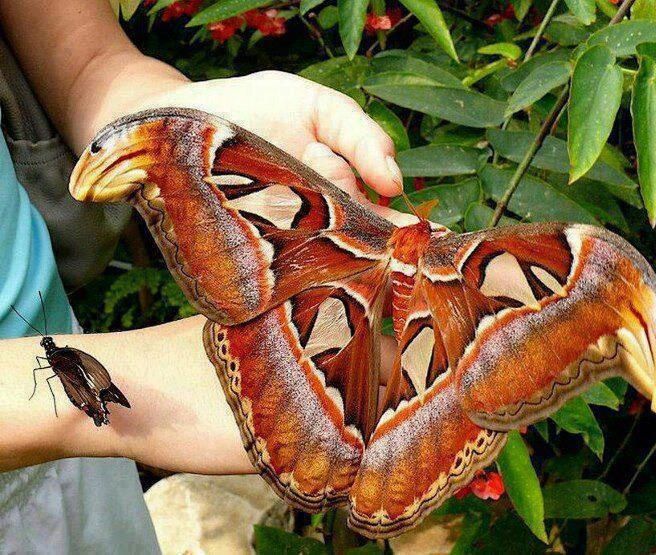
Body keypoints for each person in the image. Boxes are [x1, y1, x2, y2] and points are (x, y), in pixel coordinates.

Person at [0, 0, 405, 551]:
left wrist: (166, 127)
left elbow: (86, 53)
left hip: (84, 445)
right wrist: (131, 378)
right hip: (93, 413)